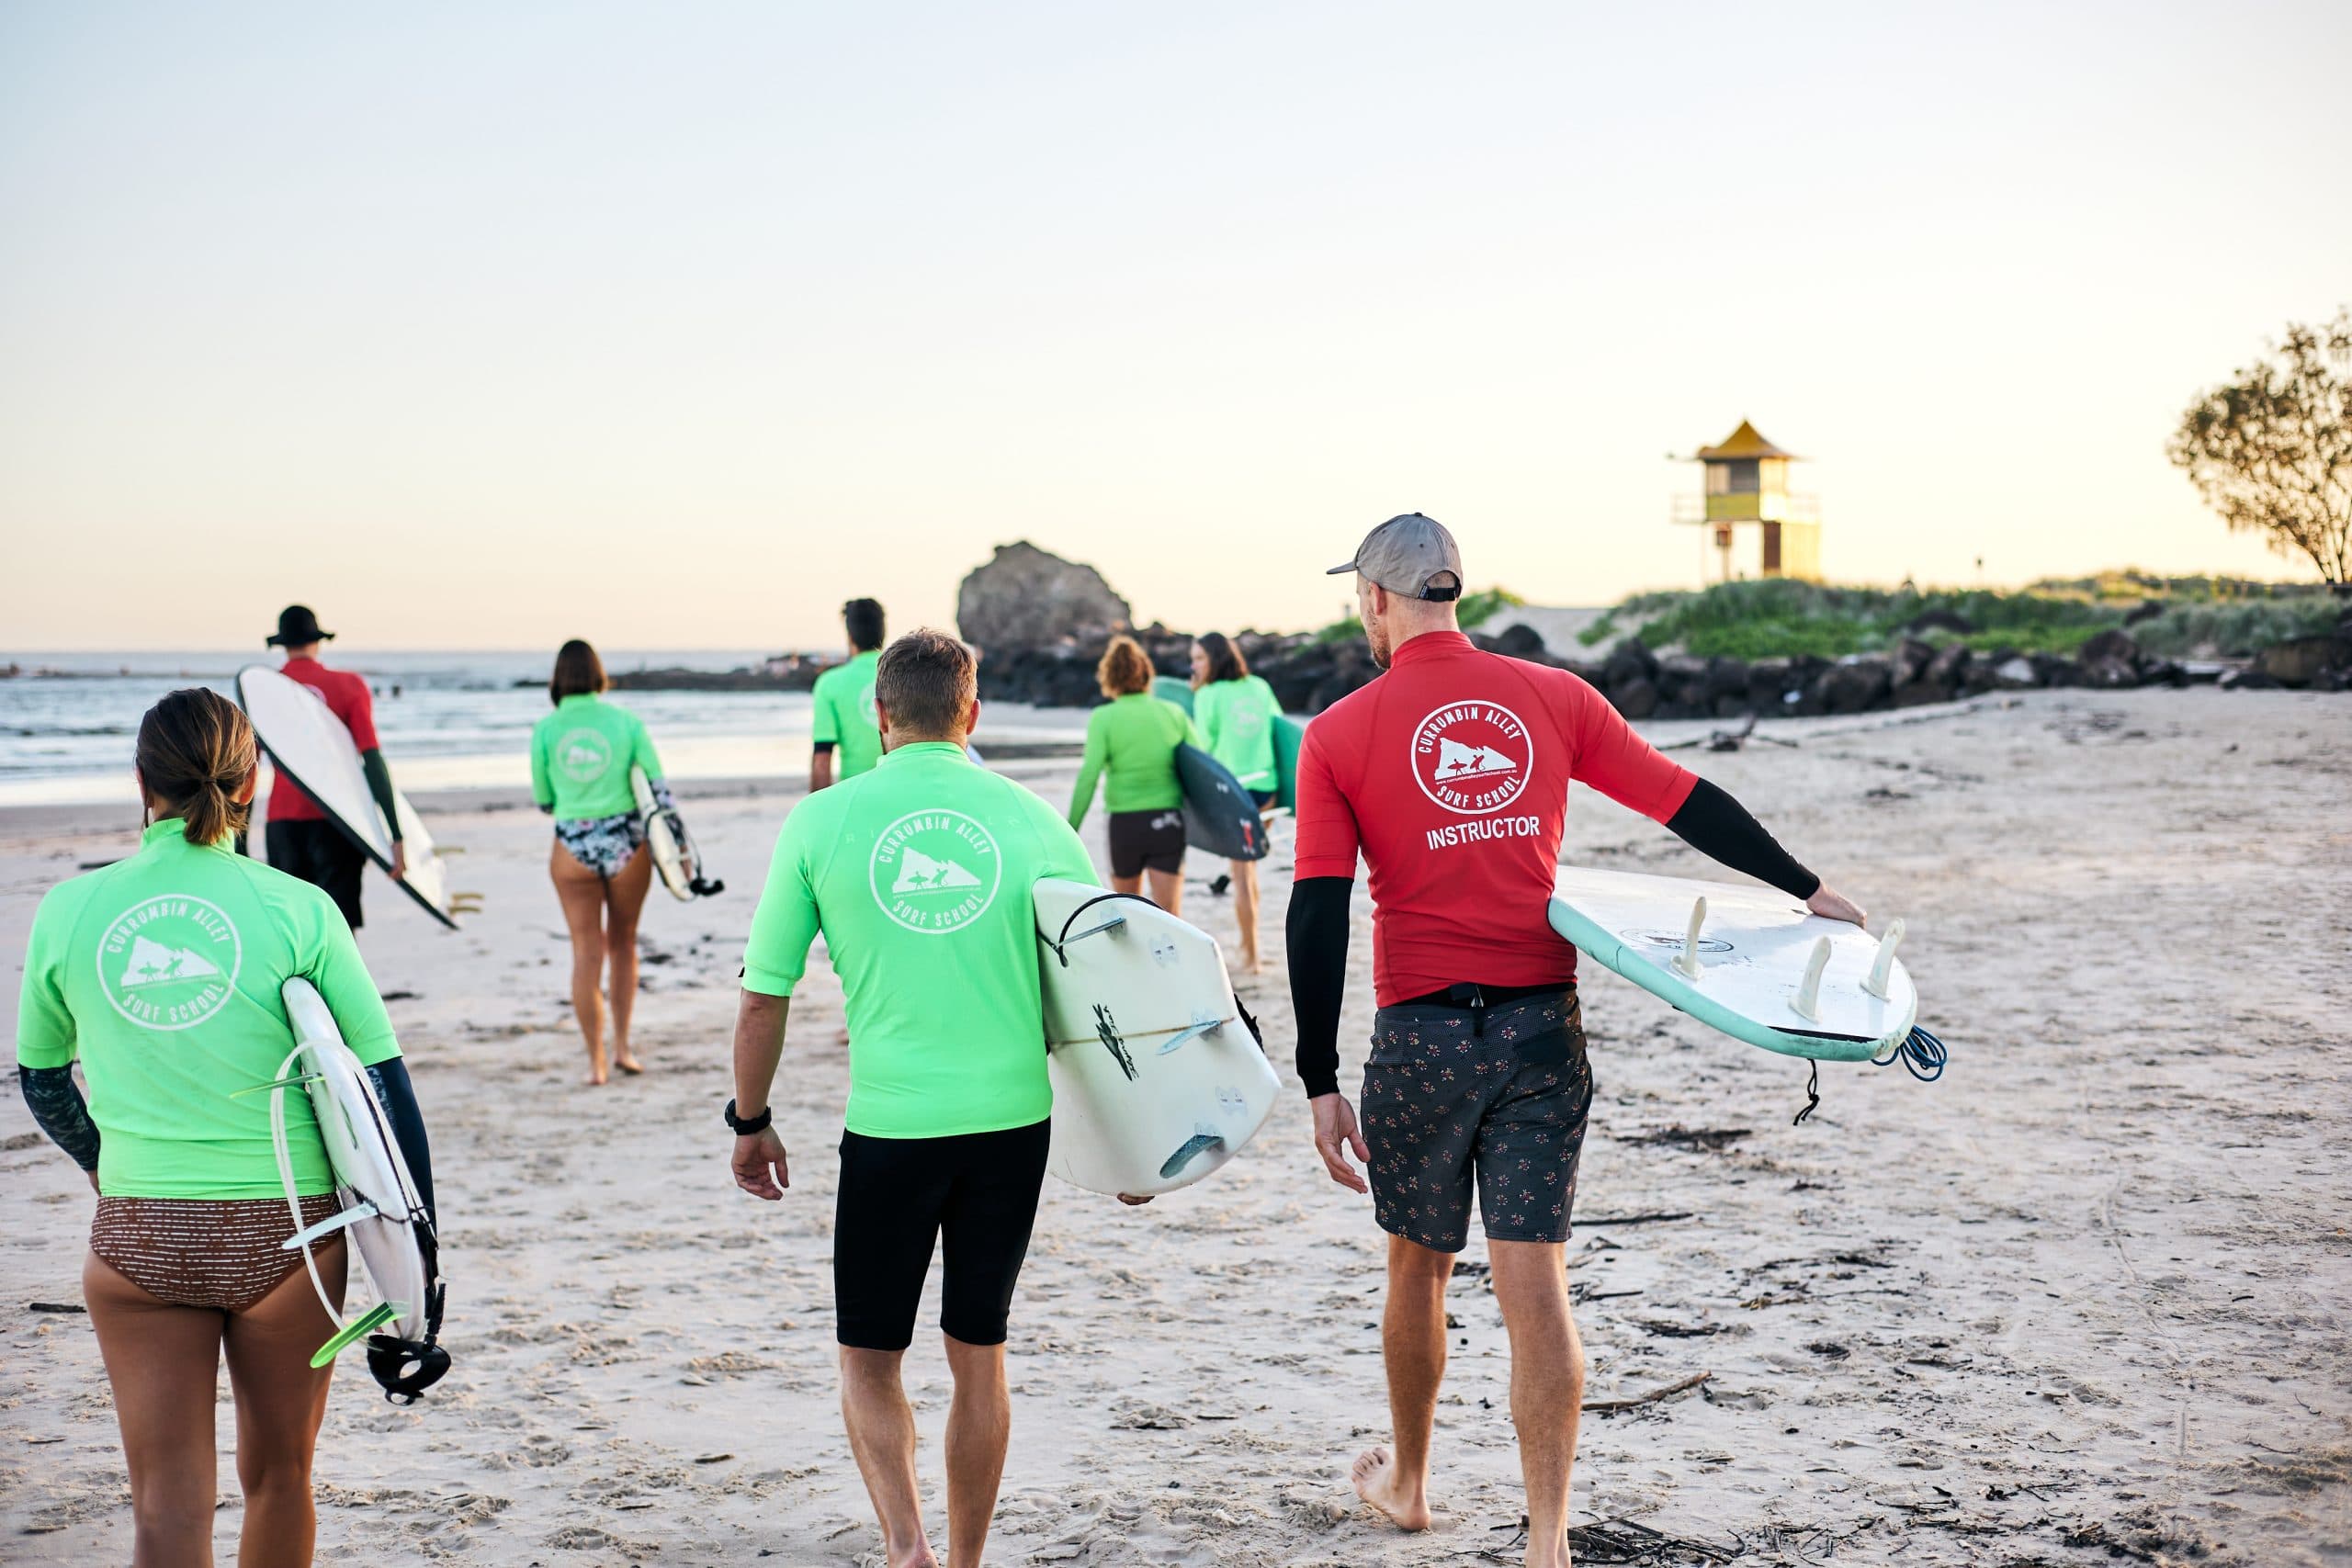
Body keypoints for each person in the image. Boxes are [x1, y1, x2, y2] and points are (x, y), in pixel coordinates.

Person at [1286, 514, 1866, 1568]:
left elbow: (1317, 911)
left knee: (1415, 1268)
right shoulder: (1552, 697)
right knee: (1534, 1282)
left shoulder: (1336, 733)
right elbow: (1684, 801)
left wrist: (1318, 1076)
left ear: (1375, 599)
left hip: (1418, 1035)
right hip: (1538, 1030)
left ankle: (1411, 1486)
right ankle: (1547, 1539)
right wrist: (1806, 887)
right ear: (1451, 591)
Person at [15, 688, 436, 1566]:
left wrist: (103, 1159)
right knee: (280, 1479)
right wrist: (422, 1267)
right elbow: (385, 1088)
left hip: (139, 1234)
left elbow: (42, 1079)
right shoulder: (299, 907)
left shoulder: (68, 909)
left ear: (141, 783)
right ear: (251, 783)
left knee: (165, 1508)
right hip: (287, 1233)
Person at [727, 629, 1106, 1568]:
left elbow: (763, 993)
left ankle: (908, 1548)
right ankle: (967, 1562)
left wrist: (752, 1119)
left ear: (879, 714)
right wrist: (1122, 1139)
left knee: (868, 1354)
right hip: (1013, 1126)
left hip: (892, 1127)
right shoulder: (1031, 819)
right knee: (978, 1350)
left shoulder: (822, 822)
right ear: (971, 713)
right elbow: (1105, 982)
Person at [531, 638, 671, 1086]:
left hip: (572, 847)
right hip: (627, 844)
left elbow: (544, 799)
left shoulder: (546, 729)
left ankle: (595, 1062)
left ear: (558, 678)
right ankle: (624, 1048)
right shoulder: (627, 722)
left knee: (585, 950)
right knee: (623, 943)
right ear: (598, 675)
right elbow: (657, 787)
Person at [262, 604, 403, 928]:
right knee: (339, 929)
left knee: (290, 929)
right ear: (318, 640)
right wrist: (395, 833)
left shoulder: (265, 693)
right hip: (338, 820)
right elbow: (372, 760)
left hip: (283, 824)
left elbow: (243, 772)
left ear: (283, 643)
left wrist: (237, 846)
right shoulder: (349, 685)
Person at [1067, 636, 1204, 917]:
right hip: (1168, 822)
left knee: (1130, 918)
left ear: (1109, 677)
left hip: (1125, 825)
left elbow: (1088, 778)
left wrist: (1071, 830)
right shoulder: (1173, 713)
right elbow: (1201, 770)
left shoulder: (1104, 718)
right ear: (1146, 673)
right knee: (1170, 919)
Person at [1190, 631, 1283, 973]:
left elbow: (1203, 751)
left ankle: (1252, 955)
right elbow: (1277, 730)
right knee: (1249, 869)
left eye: (1199, 658)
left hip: (1233, 792)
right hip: (1266, 788)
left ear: (1215, 659)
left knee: (1241, 874)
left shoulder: (1208, 695)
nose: (1194, 665)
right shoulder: (1259, 686)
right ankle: (1250, 944)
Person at [810, 597, 888, 790]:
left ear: (850, 636)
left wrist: (818, 814)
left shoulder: (829, 684)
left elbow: (822, 759)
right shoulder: (903, 675)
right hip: (900, 793)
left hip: (853, 795)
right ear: (883, 633)